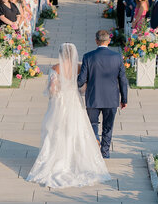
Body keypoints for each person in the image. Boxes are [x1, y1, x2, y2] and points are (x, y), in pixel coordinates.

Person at [27, 43, 112, 188]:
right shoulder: (78, 67)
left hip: (60, 104)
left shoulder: (55, 68)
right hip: (74, 101)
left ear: (60, 54)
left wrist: (56, 90)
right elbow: (84, 87)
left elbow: (52, 90)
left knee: (57, 131)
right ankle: (78, 160)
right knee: (77, 130)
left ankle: (57, 160)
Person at [78, 30, 128, 159]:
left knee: (92, 124)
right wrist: (124, 99)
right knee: (108, 126)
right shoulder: (117, 57)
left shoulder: (88, 56)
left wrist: (70, 85)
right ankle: (105, 152)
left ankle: (95, 143)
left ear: (96, 41)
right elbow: (122, 79)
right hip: (111, 98)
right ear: (109, 41)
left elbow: (82, 79)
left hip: (93, 97)